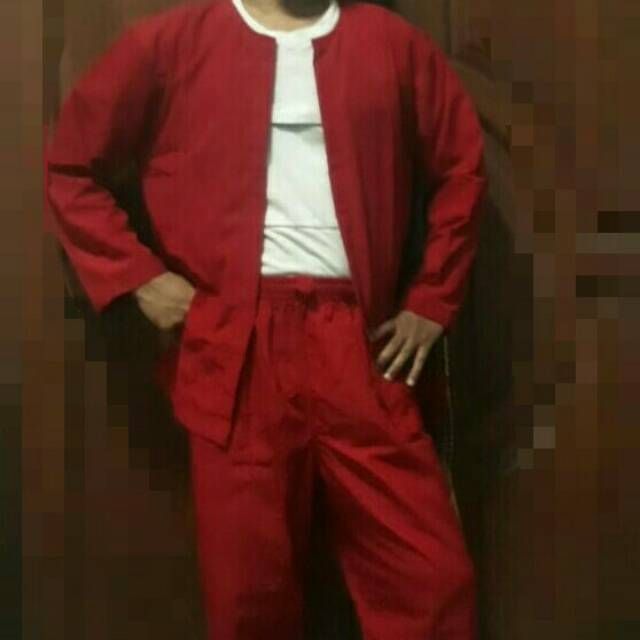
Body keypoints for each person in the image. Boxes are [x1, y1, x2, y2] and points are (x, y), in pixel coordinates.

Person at [44, 0, 487, 637]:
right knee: (249, 595)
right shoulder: (172, 43)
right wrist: (140, 278)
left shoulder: (392, 45)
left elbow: (462, 168)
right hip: (234, 345)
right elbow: (70, 167)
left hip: (359, 342)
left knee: (431, 581)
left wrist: (432, 300)